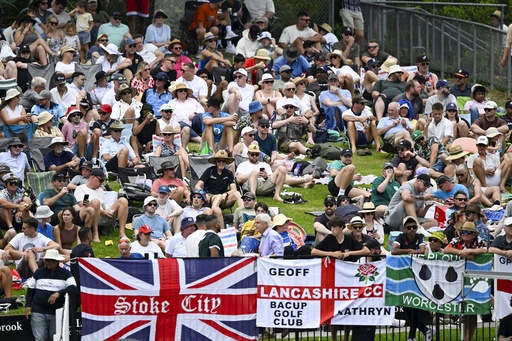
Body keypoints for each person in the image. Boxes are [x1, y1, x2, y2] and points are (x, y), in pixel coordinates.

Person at [390, 216, 432, 341]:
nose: (412, 229)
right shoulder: (400, 237)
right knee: (408, 306)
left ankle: (412, 336)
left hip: (417, 276)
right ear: (404, 229)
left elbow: (422, 250)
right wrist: (409, 250)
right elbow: (393, 250)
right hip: (403, 276)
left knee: (412, 305)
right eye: (409, 227)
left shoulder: (420, 237)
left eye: (414, 227)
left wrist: (410, 252)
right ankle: (425, 331)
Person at [444, 221, 487, 340]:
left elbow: (485, 250)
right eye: (463, 232)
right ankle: (463, 337)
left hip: (474, 279)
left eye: (468, 232)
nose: (465, 235)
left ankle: (469, 337)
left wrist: (471, 251)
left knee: (472, 311)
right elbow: (446, 250)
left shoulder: (478, 241)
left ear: (473, 234)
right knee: (461, 310)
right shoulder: (456, 241)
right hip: (458, 279)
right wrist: (461, 253)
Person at [25, 249, 77, 341]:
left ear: (57, 261)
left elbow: (73, 287)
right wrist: (28, 304)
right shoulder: (38, 272)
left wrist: (58, 293)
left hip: (56, 312)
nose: (48, 262)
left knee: (55, 338)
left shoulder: (65, 274)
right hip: (38, 311)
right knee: (39, 339)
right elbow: (30, 290)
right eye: (47, 260)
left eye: (51, 260)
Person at [74, 168, 129, 238]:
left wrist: (106, 211)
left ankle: (122, 233)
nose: (101, 183)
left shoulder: (100, 190)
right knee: (95, 201)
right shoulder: (80, 188)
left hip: (103, 214)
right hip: (90, 215)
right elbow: (82, 205)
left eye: (103, 181)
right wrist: (102, 211)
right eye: (100, 181)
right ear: (92, 177)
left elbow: (103, 205)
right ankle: (95, 233)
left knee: (123, 200)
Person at [0, 172, 32, 245]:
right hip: (4, 219)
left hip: (18, 217)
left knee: (24, 204)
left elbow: (28, 201)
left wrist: (22, 208)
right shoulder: (2, 193)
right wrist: (18, 207)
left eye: (15, 183)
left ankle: (25, 227)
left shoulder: (20, 191)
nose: (14, 185)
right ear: (5, 185)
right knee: (6, 207)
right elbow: (4, 203)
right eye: (11, 183)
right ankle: (10, 227)